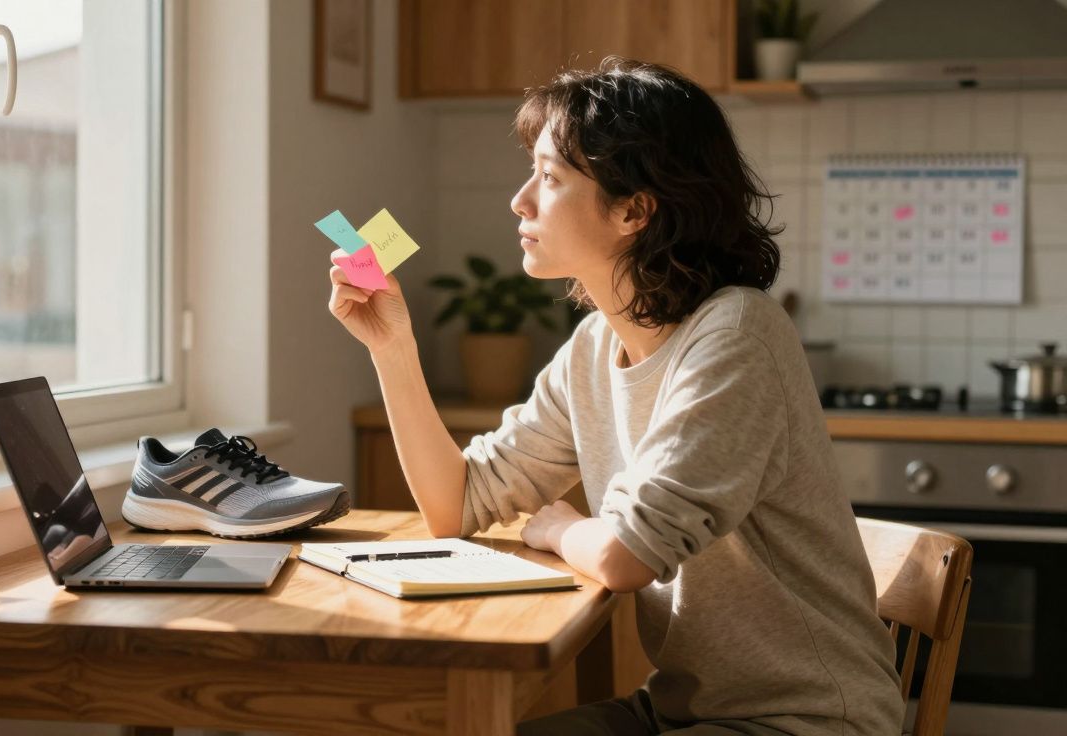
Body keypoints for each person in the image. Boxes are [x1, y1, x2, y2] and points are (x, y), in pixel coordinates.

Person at [326, 59, 903, 736]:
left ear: (634, 209)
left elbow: (625, 555)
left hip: (805, 722)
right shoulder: (595, 347)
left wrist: (559, 528)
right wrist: (392, 349)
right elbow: (455, 504)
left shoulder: (737, 334)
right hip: (680, 711)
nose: (521, 201)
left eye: (549, 177)